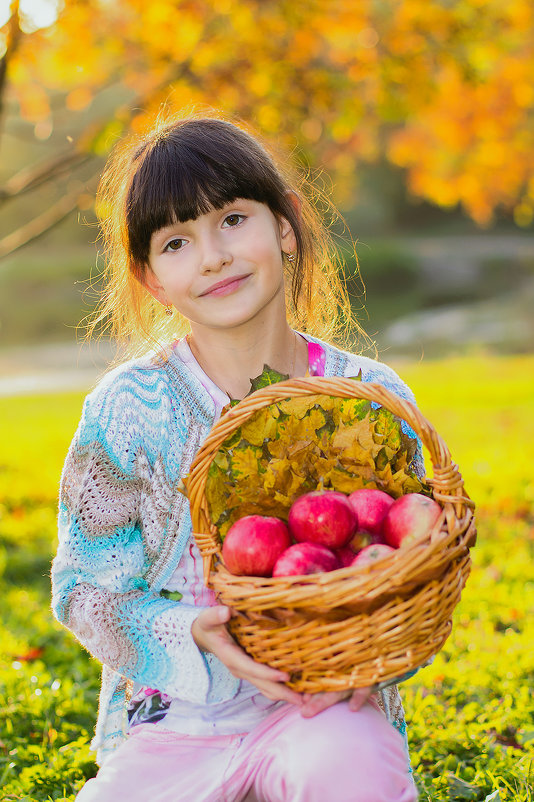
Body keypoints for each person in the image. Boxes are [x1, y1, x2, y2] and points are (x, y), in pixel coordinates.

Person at [51, 113, 422, 802]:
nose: (213, 257)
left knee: (348, 771)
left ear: (285, 225)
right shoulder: (127, 409)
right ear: (151, 278)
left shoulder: (368, 399)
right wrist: (190, 629)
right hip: (175, 731)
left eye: (232, 220)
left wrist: (368, 649)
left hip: (320, 709)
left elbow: (416, 565)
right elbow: (84, 590)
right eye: (176, 241)